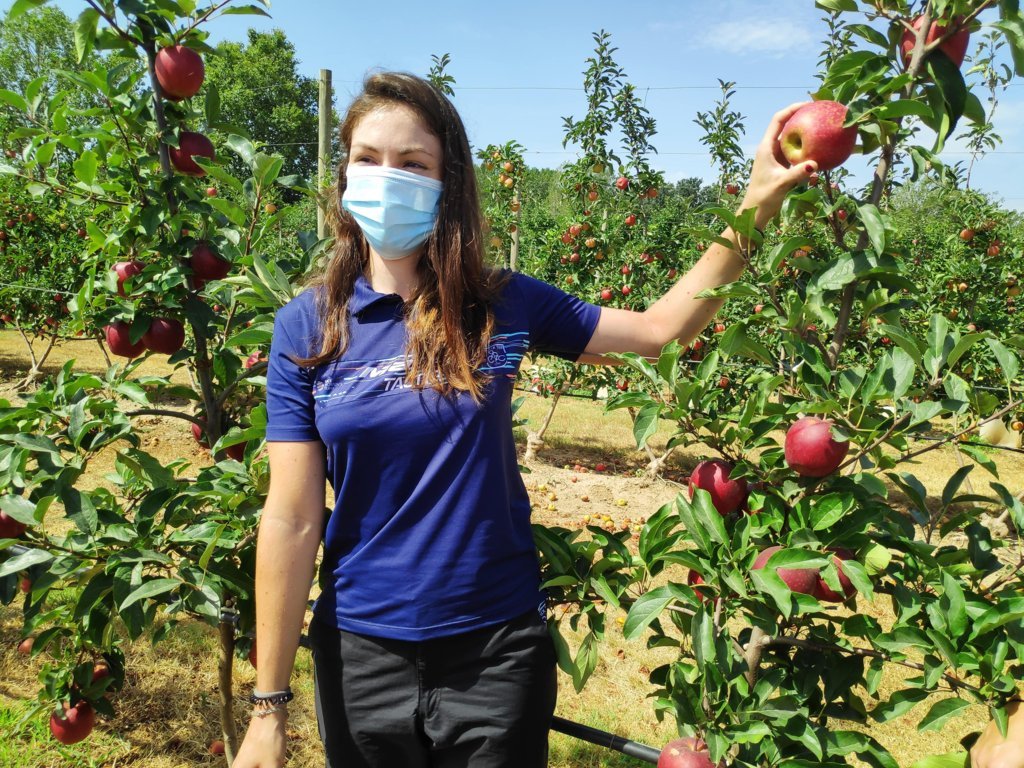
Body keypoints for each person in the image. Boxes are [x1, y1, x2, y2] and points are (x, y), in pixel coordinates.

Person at [231, 71, 815, 768]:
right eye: (368, 158)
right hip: (361, 653)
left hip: (495, 648)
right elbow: (292, 519)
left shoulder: (499, 305)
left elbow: (663, 329)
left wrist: (754, 205)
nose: (388, 178)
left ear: (447, 183)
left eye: (413, 163)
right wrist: (267, 709)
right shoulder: (308, 327)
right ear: (344, 173)